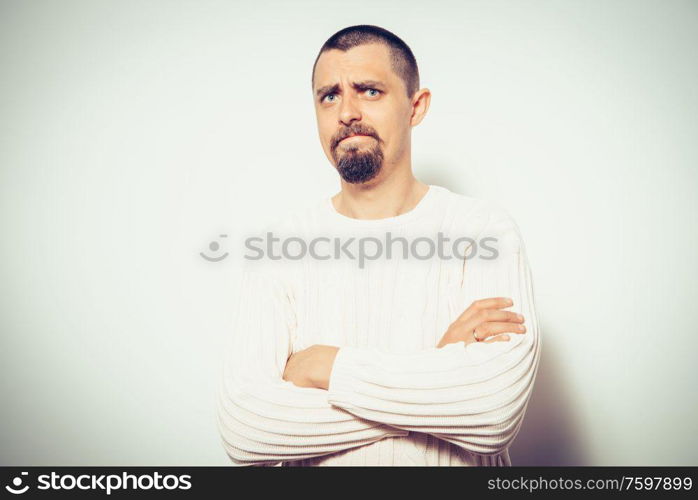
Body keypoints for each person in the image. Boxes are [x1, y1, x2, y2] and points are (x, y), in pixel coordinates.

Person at [215, 24, 541, 466]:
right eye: (329, 95)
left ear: (416, 106)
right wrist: (437, 371)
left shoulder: (482, 232)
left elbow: (493, 411)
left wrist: (324, 366)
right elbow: (246, 430)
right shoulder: (279, 248)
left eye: (369, 91)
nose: (347, 111)